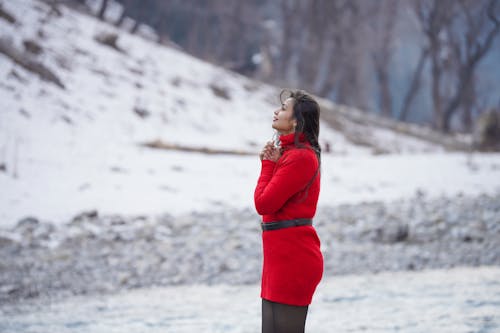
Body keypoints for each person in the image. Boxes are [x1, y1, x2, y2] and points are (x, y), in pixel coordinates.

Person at [254, 89, 324, 333]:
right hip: (279, 257)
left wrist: (266, 166)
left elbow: (264, 204)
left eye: (284, 108)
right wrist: (272, 163)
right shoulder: (290, 155)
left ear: (296, 121)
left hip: (293, 259)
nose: (276, 111)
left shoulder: (301, 158)